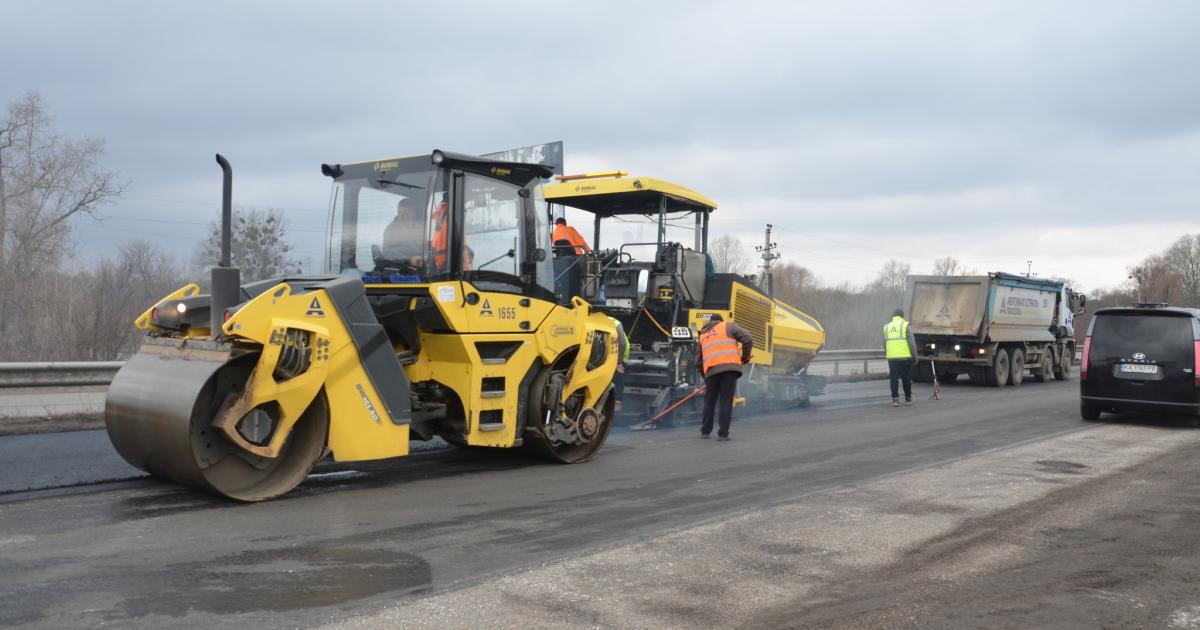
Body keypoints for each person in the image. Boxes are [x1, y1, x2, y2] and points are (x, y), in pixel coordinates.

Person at [696, 314, 753, 441]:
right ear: (720, 321)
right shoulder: (728, 326)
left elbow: (698, 362)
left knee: (709, 401)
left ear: (710, 322)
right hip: (729, 369)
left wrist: (706, 376)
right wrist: (745, 357)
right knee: (725, 401)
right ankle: (723, 434)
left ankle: (705, 431)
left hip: (711, 371)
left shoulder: (703, 335)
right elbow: (748, 338)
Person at [884, 308, 919, 407]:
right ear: (902, 316)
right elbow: (912, 343)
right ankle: (908, 398)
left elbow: (885, 343)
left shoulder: (887, 327)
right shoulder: (905, 325)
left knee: (893, 378)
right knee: (906, 377)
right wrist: (915, 357)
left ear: (893, 316)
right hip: (904, 357)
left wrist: (888, 354)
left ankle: (895, 399)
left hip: (892, 358)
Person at [381, 200, 425, 271]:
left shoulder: (420, 228)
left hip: (421, 268)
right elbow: (388, 253)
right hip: (400, 270)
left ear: (413, 213)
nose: (402, 215)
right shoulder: (391, 230)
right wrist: (408, 260)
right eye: (400, 212)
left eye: (406, 212)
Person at [609, 316, 630, 413]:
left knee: (618, 375)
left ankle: (618, 403)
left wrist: (619, 362)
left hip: (621, 352)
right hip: (611, 352)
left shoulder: (616, 323)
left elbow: (622, 343)